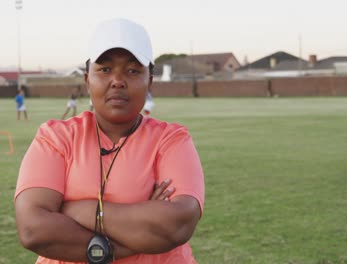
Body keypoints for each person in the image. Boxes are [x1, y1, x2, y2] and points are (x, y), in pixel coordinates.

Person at [15, 18, 205, 264]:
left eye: (132, 70)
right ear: (87, 80)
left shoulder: (171, 140)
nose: (117, 80)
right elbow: (34, 229)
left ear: (149, 81)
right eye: (105, 69)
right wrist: (135, 234)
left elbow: (176, 226)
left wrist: (77, 209)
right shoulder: (56, 138)